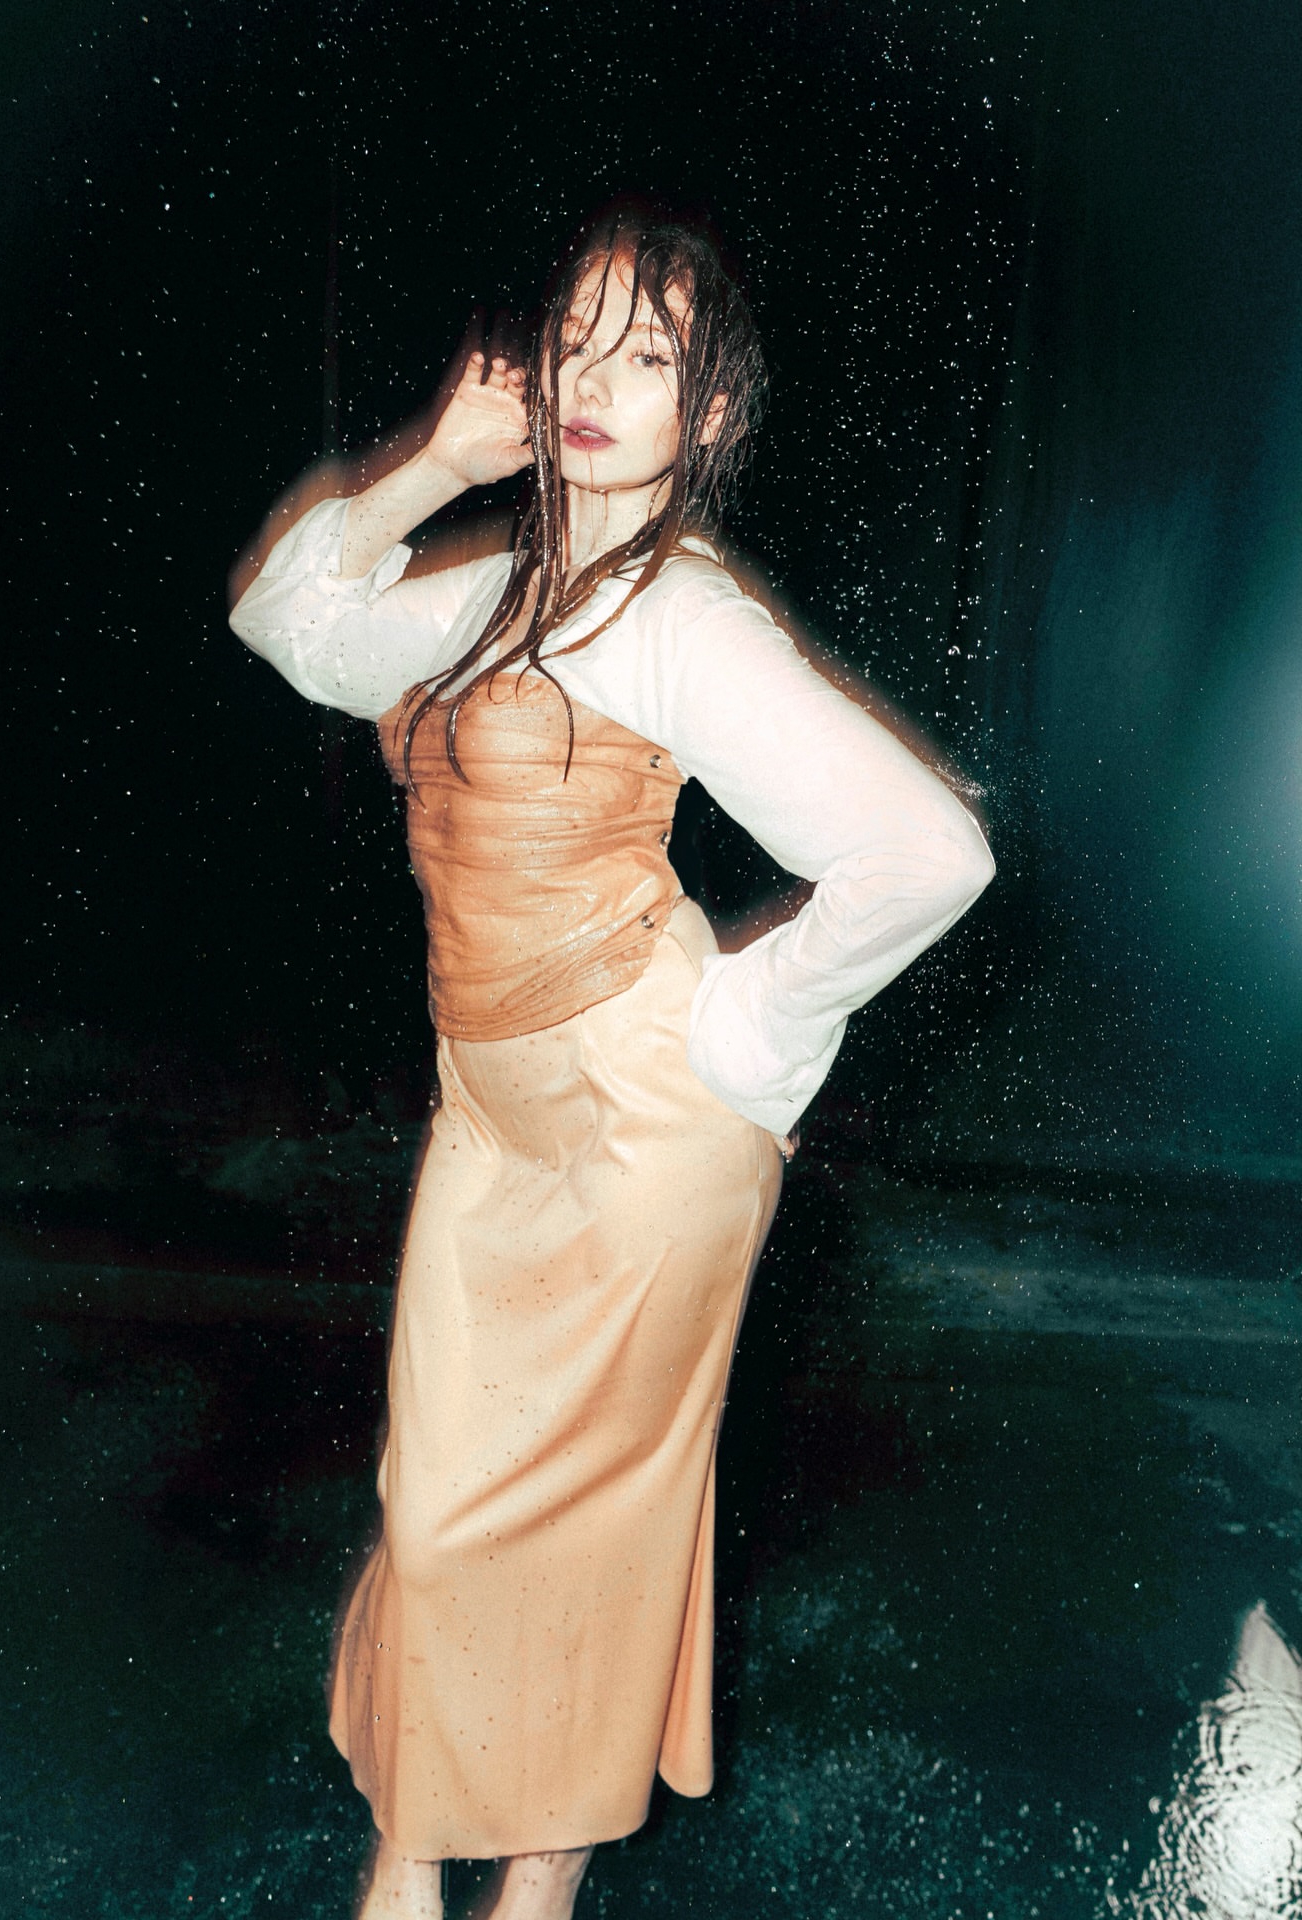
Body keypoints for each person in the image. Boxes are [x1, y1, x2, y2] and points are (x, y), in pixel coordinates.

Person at [228, 207, 994, 1920]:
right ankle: (418, 1836)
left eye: (647, 357)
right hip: (492, 1116)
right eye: (575, 339)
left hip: (645, 1133)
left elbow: (930, 855)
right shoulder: (499, 590)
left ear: (708, 412)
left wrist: (745, 1026)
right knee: (441, 1506)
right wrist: (437, 464)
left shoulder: (681, 617)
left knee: (591, 1527)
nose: (592, 379)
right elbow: (294, 627)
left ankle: (538, 1880)